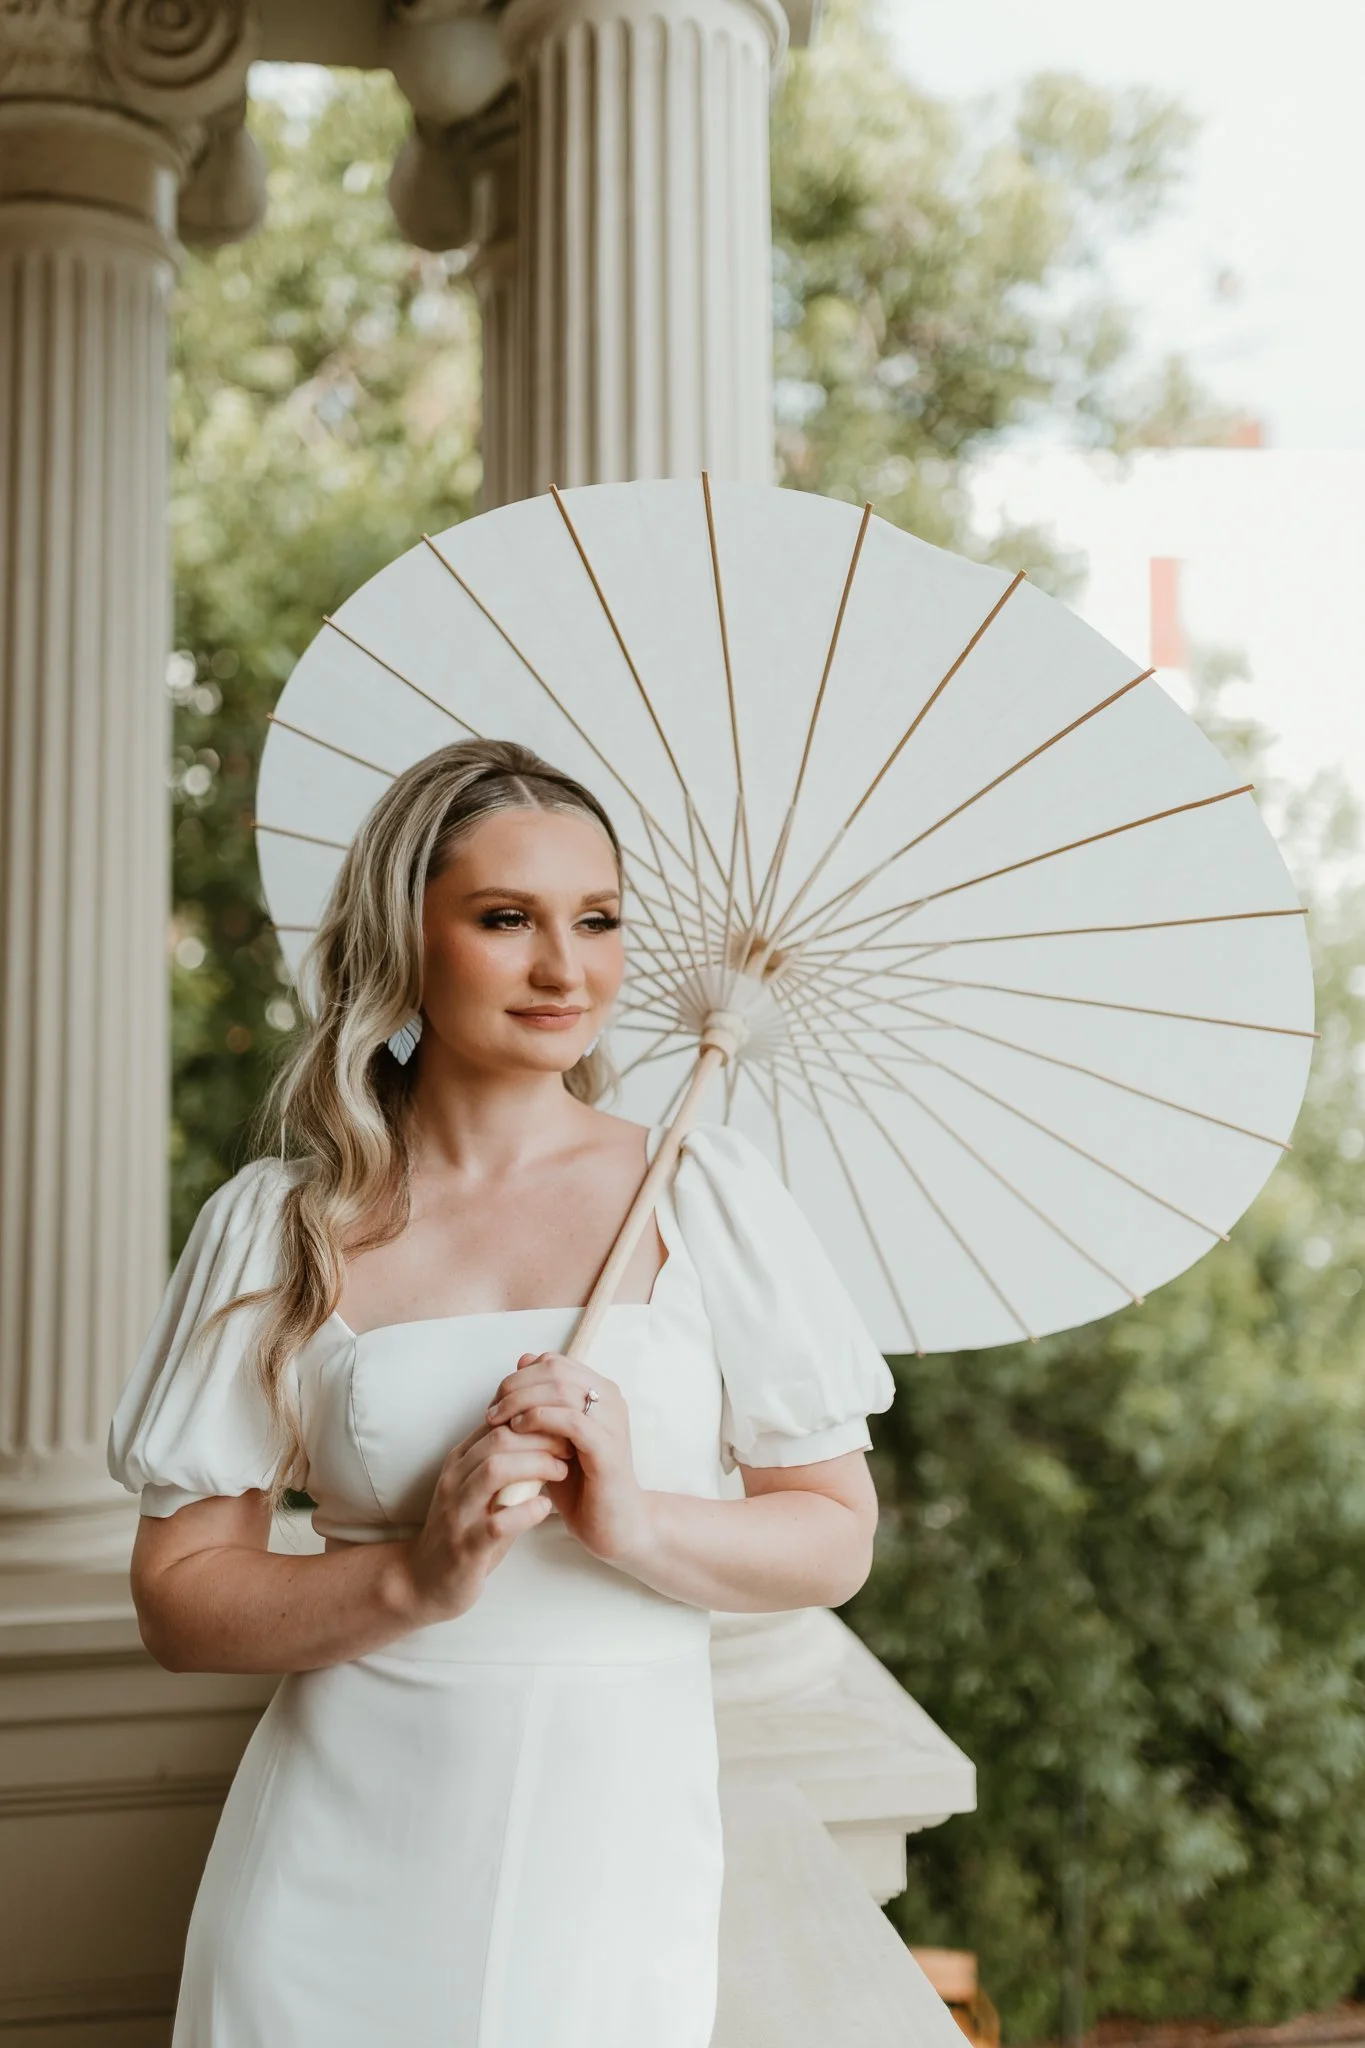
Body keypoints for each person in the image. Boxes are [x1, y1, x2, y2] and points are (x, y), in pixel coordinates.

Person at [108, 737, 896, 2048]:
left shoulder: (706, 1194)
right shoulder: (281, 1227)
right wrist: (416, 1576)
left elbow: (834, 1533)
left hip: (607, 1858)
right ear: (405, 938)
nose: (565, 969)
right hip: (330, 1860)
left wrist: (635, 1518)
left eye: (597, 921)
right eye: (504, 920)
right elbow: (180, 1601)